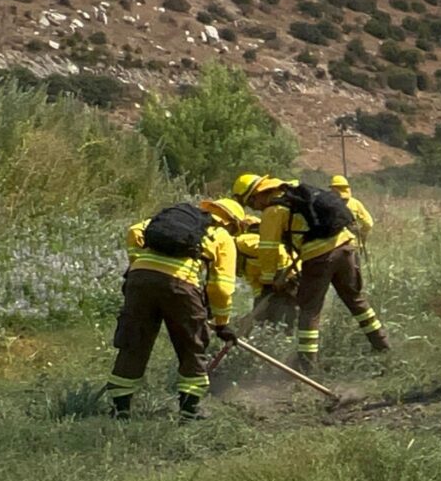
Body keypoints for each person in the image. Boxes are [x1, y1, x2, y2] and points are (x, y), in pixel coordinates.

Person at [235, 173, 387, 372]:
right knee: (356, 301)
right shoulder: (297, 191)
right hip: (346, 247)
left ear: (257, 194)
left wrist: (271, 278)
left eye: (252, 203)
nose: (255, 208)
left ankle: (307, 365)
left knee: (309, 310)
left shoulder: (273, 210)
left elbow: (268, 249)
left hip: (319, 258)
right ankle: (382, 345)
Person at [105, 197, 241, 419]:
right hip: (180, 285)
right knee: (192, 346)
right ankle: (189, 411)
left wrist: (139, 264)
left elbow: (134, 231)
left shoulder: (173, 222)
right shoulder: (221, 236)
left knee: (133, 342)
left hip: (139, 280)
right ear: (230, 223)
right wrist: (222, 323)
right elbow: (222, 288)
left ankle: (120, 409)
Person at [330, 175, 375, 240]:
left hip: (333, 244)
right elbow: (369, 223)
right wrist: (361, 233)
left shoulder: (328, 204)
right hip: (352, 243)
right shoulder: (355, 203)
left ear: (333, 188)